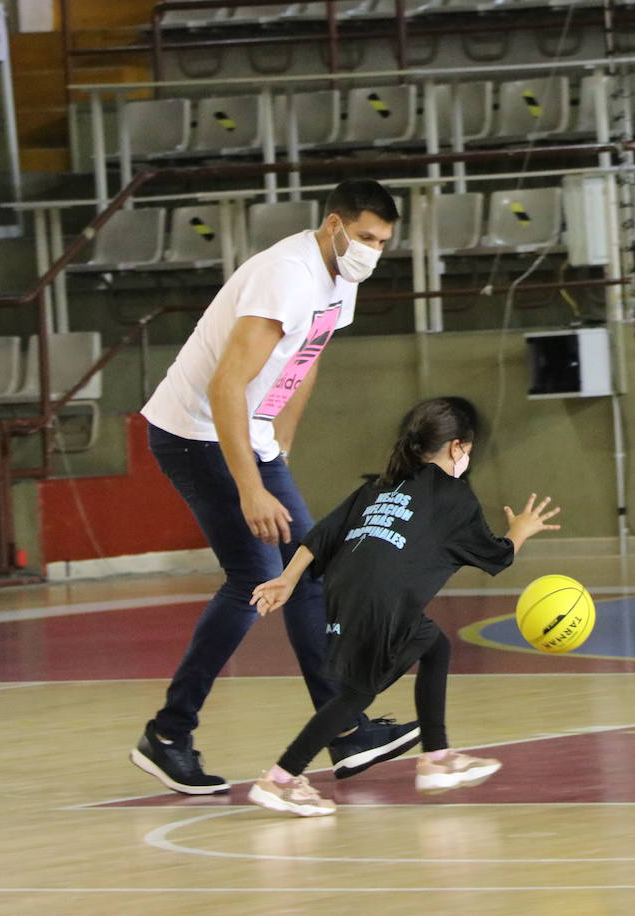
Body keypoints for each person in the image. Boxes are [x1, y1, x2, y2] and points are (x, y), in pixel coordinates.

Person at [130, 179, 419, 796]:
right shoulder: (286, 275)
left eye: (383, 242)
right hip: (193, 432)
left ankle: (344, 732)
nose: (373, 250)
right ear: (335, 223)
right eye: (366, 237)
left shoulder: (341, 280)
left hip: (243, 435)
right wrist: (250, 488)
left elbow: (304, 361)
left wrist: (276, 444)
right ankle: (169, 734)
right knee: (254, 579)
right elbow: (224, 385)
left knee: (308, 573)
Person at [243, 396, 562, 817]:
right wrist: (520, 530)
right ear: (456, 448)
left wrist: (288, 578)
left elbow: (321, 535)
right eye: (468, 449)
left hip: (348, 591)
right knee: (356, 695)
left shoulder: (379, 484)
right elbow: (498, 556)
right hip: (382, 601)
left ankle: (438, 757)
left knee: (435, 647)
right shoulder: (454, 497)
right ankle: (280, 778)